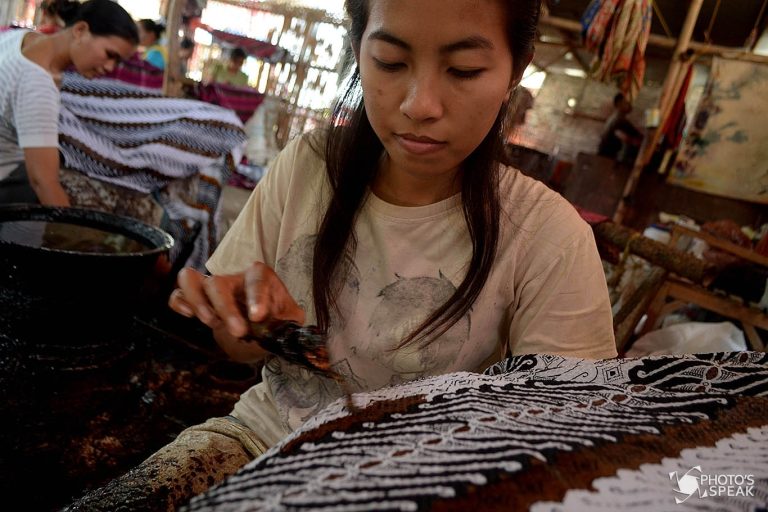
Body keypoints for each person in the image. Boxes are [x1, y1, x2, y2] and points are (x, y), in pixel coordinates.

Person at [70, 0, 617, 507]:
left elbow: (564, 439)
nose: (418, 105)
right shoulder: (309, 165)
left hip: (418, 487)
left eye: (464, 70)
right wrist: (248, 322)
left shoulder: (547, 235)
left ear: (516, 71)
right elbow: (237, 355)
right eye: (389, 61)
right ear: (359, 51)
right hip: (260, 439)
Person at [0, 0, 138, 207]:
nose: (111, 67)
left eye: (118, 62)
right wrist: (74, 230)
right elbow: (43, 182)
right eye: (110, 55)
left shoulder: (21, 38)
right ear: (80, 30)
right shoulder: (37, 82)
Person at [598, 92, 643, 163]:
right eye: (627, 102)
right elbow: (626, 136)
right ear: (619, 104)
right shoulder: (618, 120)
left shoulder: (617, 118)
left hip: (607, 159)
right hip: (607, 160)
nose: (630, 105)